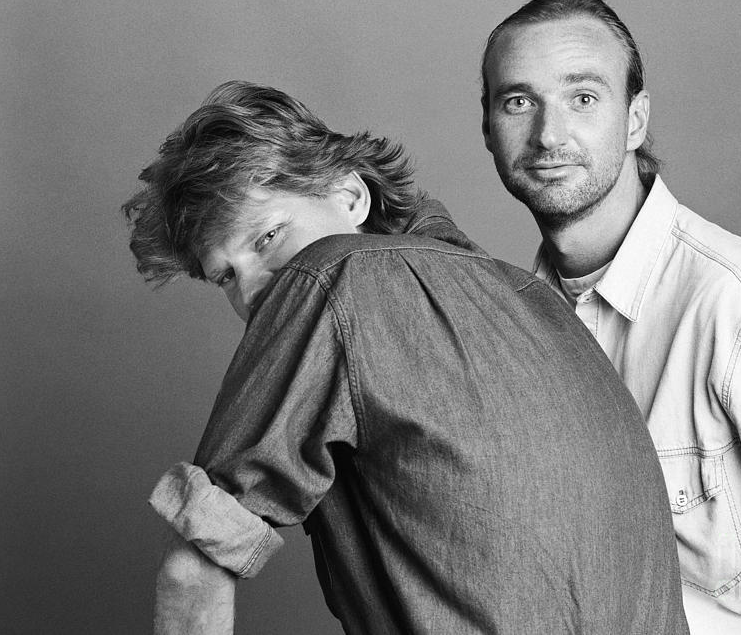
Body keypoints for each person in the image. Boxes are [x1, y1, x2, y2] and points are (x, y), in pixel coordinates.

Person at [124, 81, 688, 634]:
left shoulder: (326, 279)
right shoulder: (536, 300)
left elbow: (192, 572)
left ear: (349, 196)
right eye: (226, 276)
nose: (252, 292)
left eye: (267, 237)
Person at [481, 0, 741, 634]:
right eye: (518, 102)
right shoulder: (509, 334)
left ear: (635, 119)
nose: (548, 134)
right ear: (487, 128)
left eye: (582, 98)